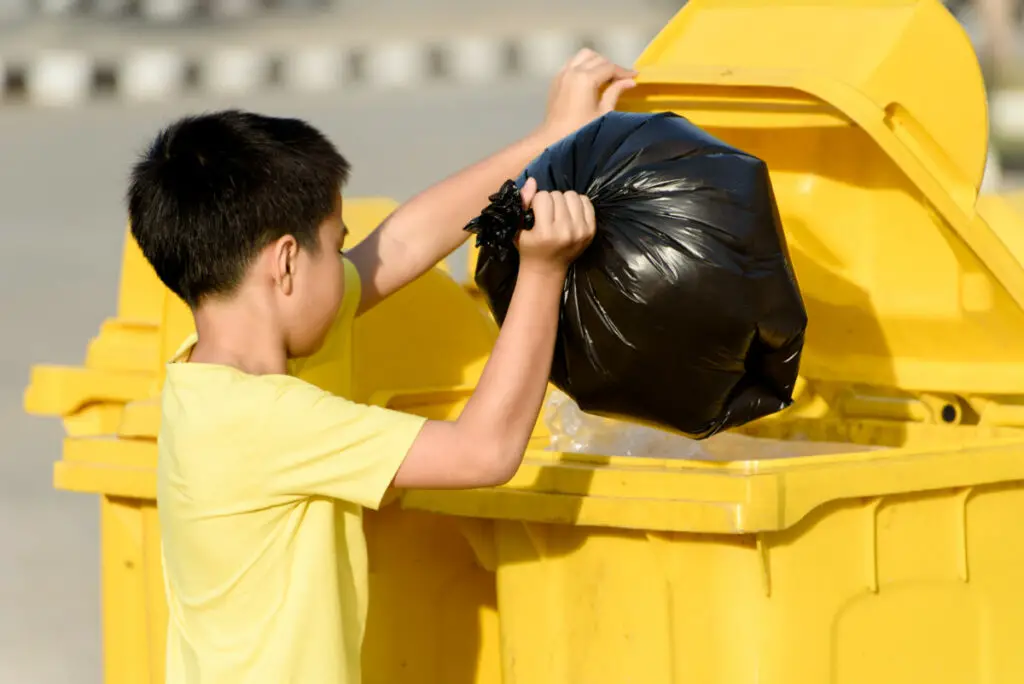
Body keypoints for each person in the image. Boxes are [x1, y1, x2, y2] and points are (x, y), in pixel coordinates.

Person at [126, 49, 635, 683]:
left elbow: (401, 243)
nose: (348, 265)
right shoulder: (262, 418)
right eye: (336, 244)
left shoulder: (224, 367)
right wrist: (543, 270)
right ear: (284, 264)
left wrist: (546, 140)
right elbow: (484, 452)